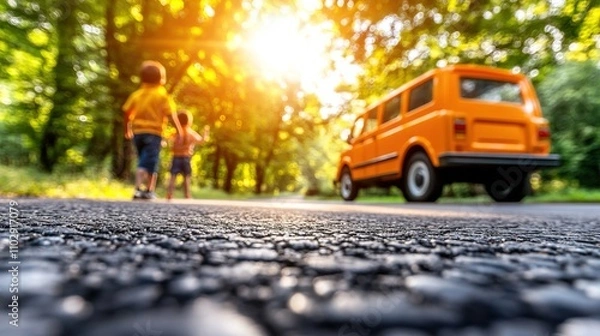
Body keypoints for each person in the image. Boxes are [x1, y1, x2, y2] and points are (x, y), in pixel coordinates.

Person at [123, 60, 182, 200]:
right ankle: (140, 189)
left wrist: (127, 129)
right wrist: (179, 130)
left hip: (137, 133)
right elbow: (171, 114)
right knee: (149, 161)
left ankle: (148, 190)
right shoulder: (162, 95)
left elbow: (126, 112)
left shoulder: (137, 94)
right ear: (161, 79)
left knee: (144, 159)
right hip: (154, 133)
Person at [166, 110, 210, 200]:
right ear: (189, 121)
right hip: (186, 158)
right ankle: (187, 195)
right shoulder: (191, 133)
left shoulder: (175, 133)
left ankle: (169, 194)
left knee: (172, 176)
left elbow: (168, 141)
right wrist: (205, 133)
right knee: (186, 177)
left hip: (176, 157)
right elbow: (201, 141)